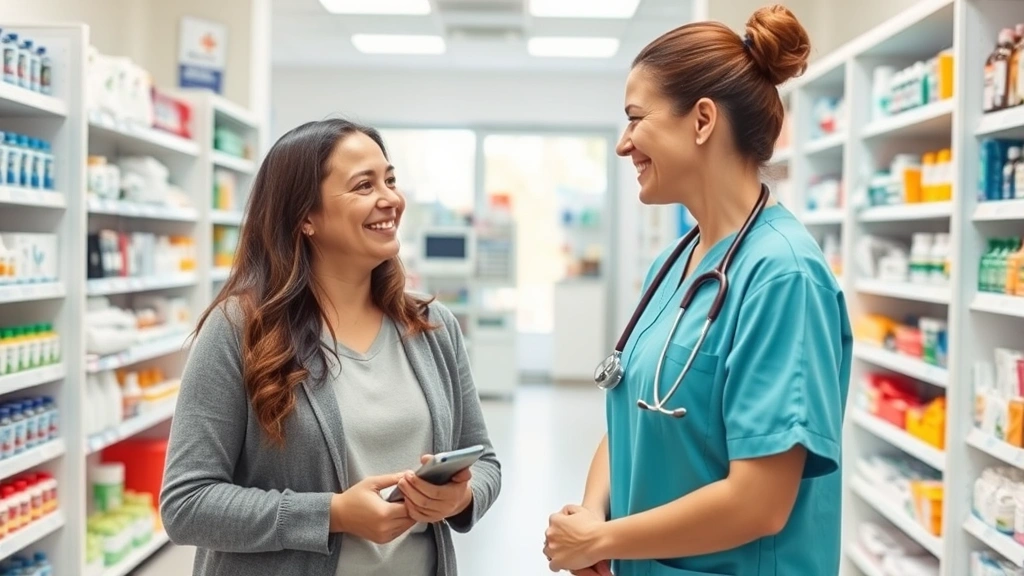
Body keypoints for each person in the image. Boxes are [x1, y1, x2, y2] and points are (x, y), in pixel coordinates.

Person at [543, 5, 852, 576]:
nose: (623, 143)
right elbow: (634, 412)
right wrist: (593, 519)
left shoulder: (783, 275)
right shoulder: (675, 262)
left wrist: (602, 538)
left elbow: (759, 501)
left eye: (636, 119)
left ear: (702, 120)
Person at [160, 118, 501, 576]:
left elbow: (485, 461)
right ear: (305, 217)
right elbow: (186, 503)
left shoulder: (432, 327)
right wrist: (332, 514)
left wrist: (460, 496)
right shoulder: (241, 329)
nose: (391, 199)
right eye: (364, 185)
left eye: (391, 180)